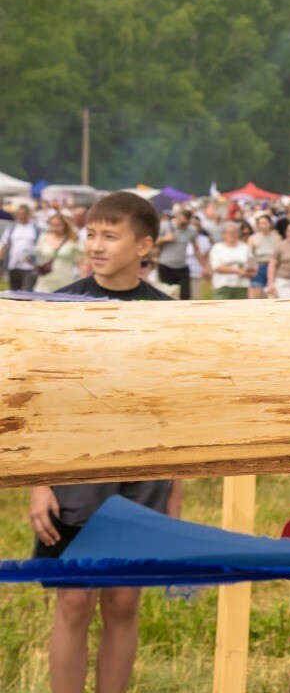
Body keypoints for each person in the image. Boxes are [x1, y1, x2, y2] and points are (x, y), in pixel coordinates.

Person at [30, 192, 181, 693]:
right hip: (76, 473)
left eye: (110, 236)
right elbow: (42, 401)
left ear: (144, 246)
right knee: (74, 600)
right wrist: (40, 484)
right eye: (91, 233)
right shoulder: (58, 308)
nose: (96, 245)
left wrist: (174, 491)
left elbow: (177, 410)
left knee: (123, 600)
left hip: (142, 477)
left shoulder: (169, 315)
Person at [33, 210, 85, 292]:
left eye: (58, 225)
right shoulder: (44, 237)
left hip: (66, 281)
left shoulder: (73, 239)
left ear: (64, 225)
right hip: (45, 281)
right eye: (52, 225)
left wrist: (83, 282)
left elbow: (81, 263)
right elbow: (38, 256)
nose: (55, 228)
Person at [153, 209, 200, 299]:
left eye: (186, 223)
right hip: (166, 265)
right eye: (182, 223)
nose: (184, 225)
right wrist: (164, 238)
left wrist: (205, 265)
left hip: (182, 266)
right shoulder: (165, 226)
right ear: (178, 217)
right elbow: (152, 242)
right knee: (168, 294)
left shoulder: (191, 230)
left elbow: (196, 249)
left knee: (185, 295)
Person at [208, 221, 255, 299]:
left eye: (235, 232)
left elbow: (252, 265)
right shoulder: (217, 248)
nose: (233, 234)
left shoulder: (245, 247)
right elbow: (217, 267)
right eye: (230, 232)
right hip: (223, 285)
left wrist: (249, 270)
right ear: (224, 235)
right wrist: (238, 271)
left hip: (241, 285)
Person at [6, 201, 40, 291]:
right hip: (14, 265)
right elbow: (4, 244)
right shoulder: (12, 228)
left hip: (30, 266)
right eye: (20, 213)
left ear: (28, 214)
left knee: (26, 292)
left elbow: (40, 245)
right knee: (13, 293)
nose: (21, 216)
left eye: (24, 213)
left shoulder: (35, 228)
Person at [248, 214, 278, 299]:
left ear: (270, 224)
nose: (263, 225)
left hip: (273, 267)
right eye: (261, 223)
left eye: (265, 222)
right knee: (257, 297)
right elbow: (250, 255)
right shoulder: (253, 238)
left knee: (272, 296)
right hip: (259, 267)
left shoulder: (277, 237)